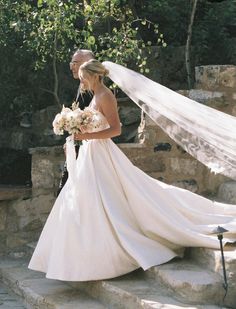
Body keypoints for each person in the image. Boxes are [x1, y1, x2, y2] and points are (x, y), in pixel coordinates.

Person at [29, 59, 236, 281]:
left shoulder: (106, 95)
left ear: (94, 76)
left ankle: (115, 252)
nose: (82, 82)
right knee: (87, 199)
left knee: (110, 199)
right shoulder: (95, 95)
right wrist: (77, 131)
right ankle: (86, 256)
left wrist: (84, 135)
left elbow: (115, 129)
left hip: (102, 153)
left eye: (83, 78)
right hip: (91, 154)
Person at [57, 49, 95, 196]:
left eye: (75, 62)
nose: (71, 66)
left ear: (87, 64)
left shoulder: (93, 90)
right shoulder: (82, 86)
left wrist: (75, 140)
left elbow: (93, 121)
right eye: (71, 62)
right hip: (78, 146)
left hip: (88, 150)